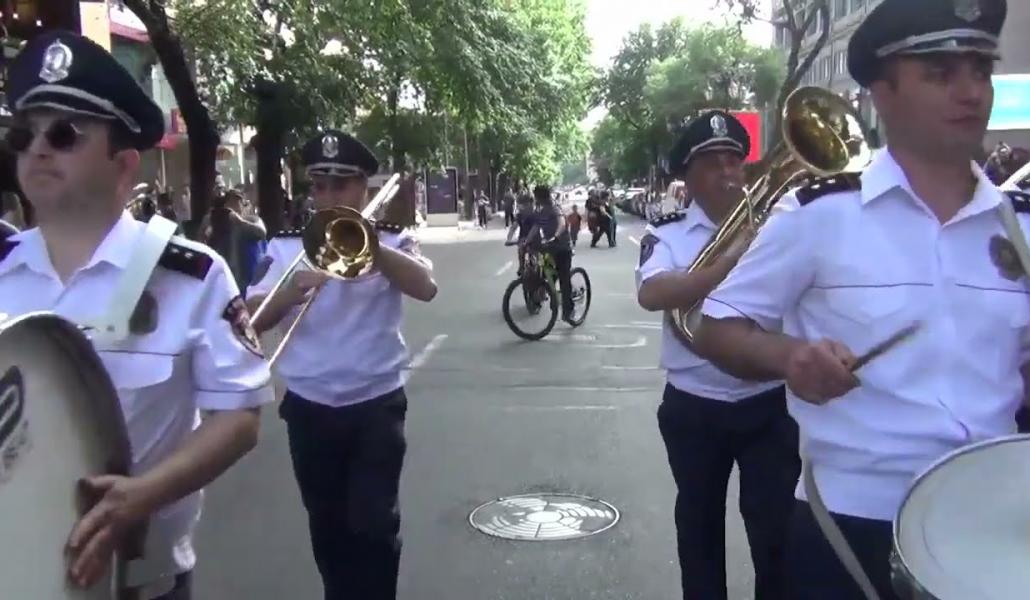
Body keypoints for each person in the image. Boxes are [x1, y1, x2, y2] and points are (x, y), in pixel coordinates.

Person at [693, 1, 1019, 598]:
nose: (971, 92)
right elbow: (716, 326)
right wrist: (791, 358)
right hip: (852, 524)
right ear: (882, 94)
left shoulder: (1018, 227)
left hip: (996, 525)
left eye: (981, 70)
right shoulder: (820, 213)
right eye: (941, 74)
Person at [0, 31, 273, 599]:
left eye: (64, 134)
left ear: (123, 166)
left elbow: (239, 417)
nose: (38, 149)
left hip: (142, 584)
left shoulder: (190, 275)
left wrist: (145, 495)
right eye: (24, 135)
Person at [247, 129, 437, 600]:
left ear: (363, 189)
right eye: (320, 186)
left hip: (375, 406)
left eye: (342, 186)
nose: (329, 197)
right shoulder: (286, 247)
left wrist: (374, 248)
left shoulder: (392, 239)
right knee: (327, 527)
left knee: (374, 525)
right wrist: (289, 291)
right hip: (309, 407)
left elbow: (426, 286)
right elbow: (250, 318)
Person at [636, 111, 799, 600]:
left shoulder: (781, 225)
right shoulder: (667, 232)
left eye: (734, 160)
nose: (728, 172)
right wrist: (729, 260)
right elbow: (653, 293)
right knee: (699, 526)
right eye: (712, 163)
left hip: (768, 402)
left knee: (775, 531)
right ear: (687, 176)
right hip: (694, 404)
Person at [522, 184, 575, 322]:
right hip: (549, 248)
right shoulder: (541, 211)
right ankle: (547, 297)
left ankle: (569, 310)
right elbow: (536, 226)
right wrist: (527, 241)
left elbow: (562, 223)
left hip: (562, 248)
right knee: (544, 274)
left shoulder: (554, 208)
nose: (535, 199)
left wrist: (556, 236)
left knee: (564, 279)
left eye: (536, 197)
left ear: (541, 197)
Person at [505, 193, 536, 275]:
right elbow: (513, 227)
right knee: (521, 250)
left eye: (520, 205)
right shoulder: (520, 215)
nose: (519, 207)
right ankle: (521, 266)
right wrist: (509, 239)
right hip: (523, 239)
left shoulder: (537, 214)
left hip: (536, 240)